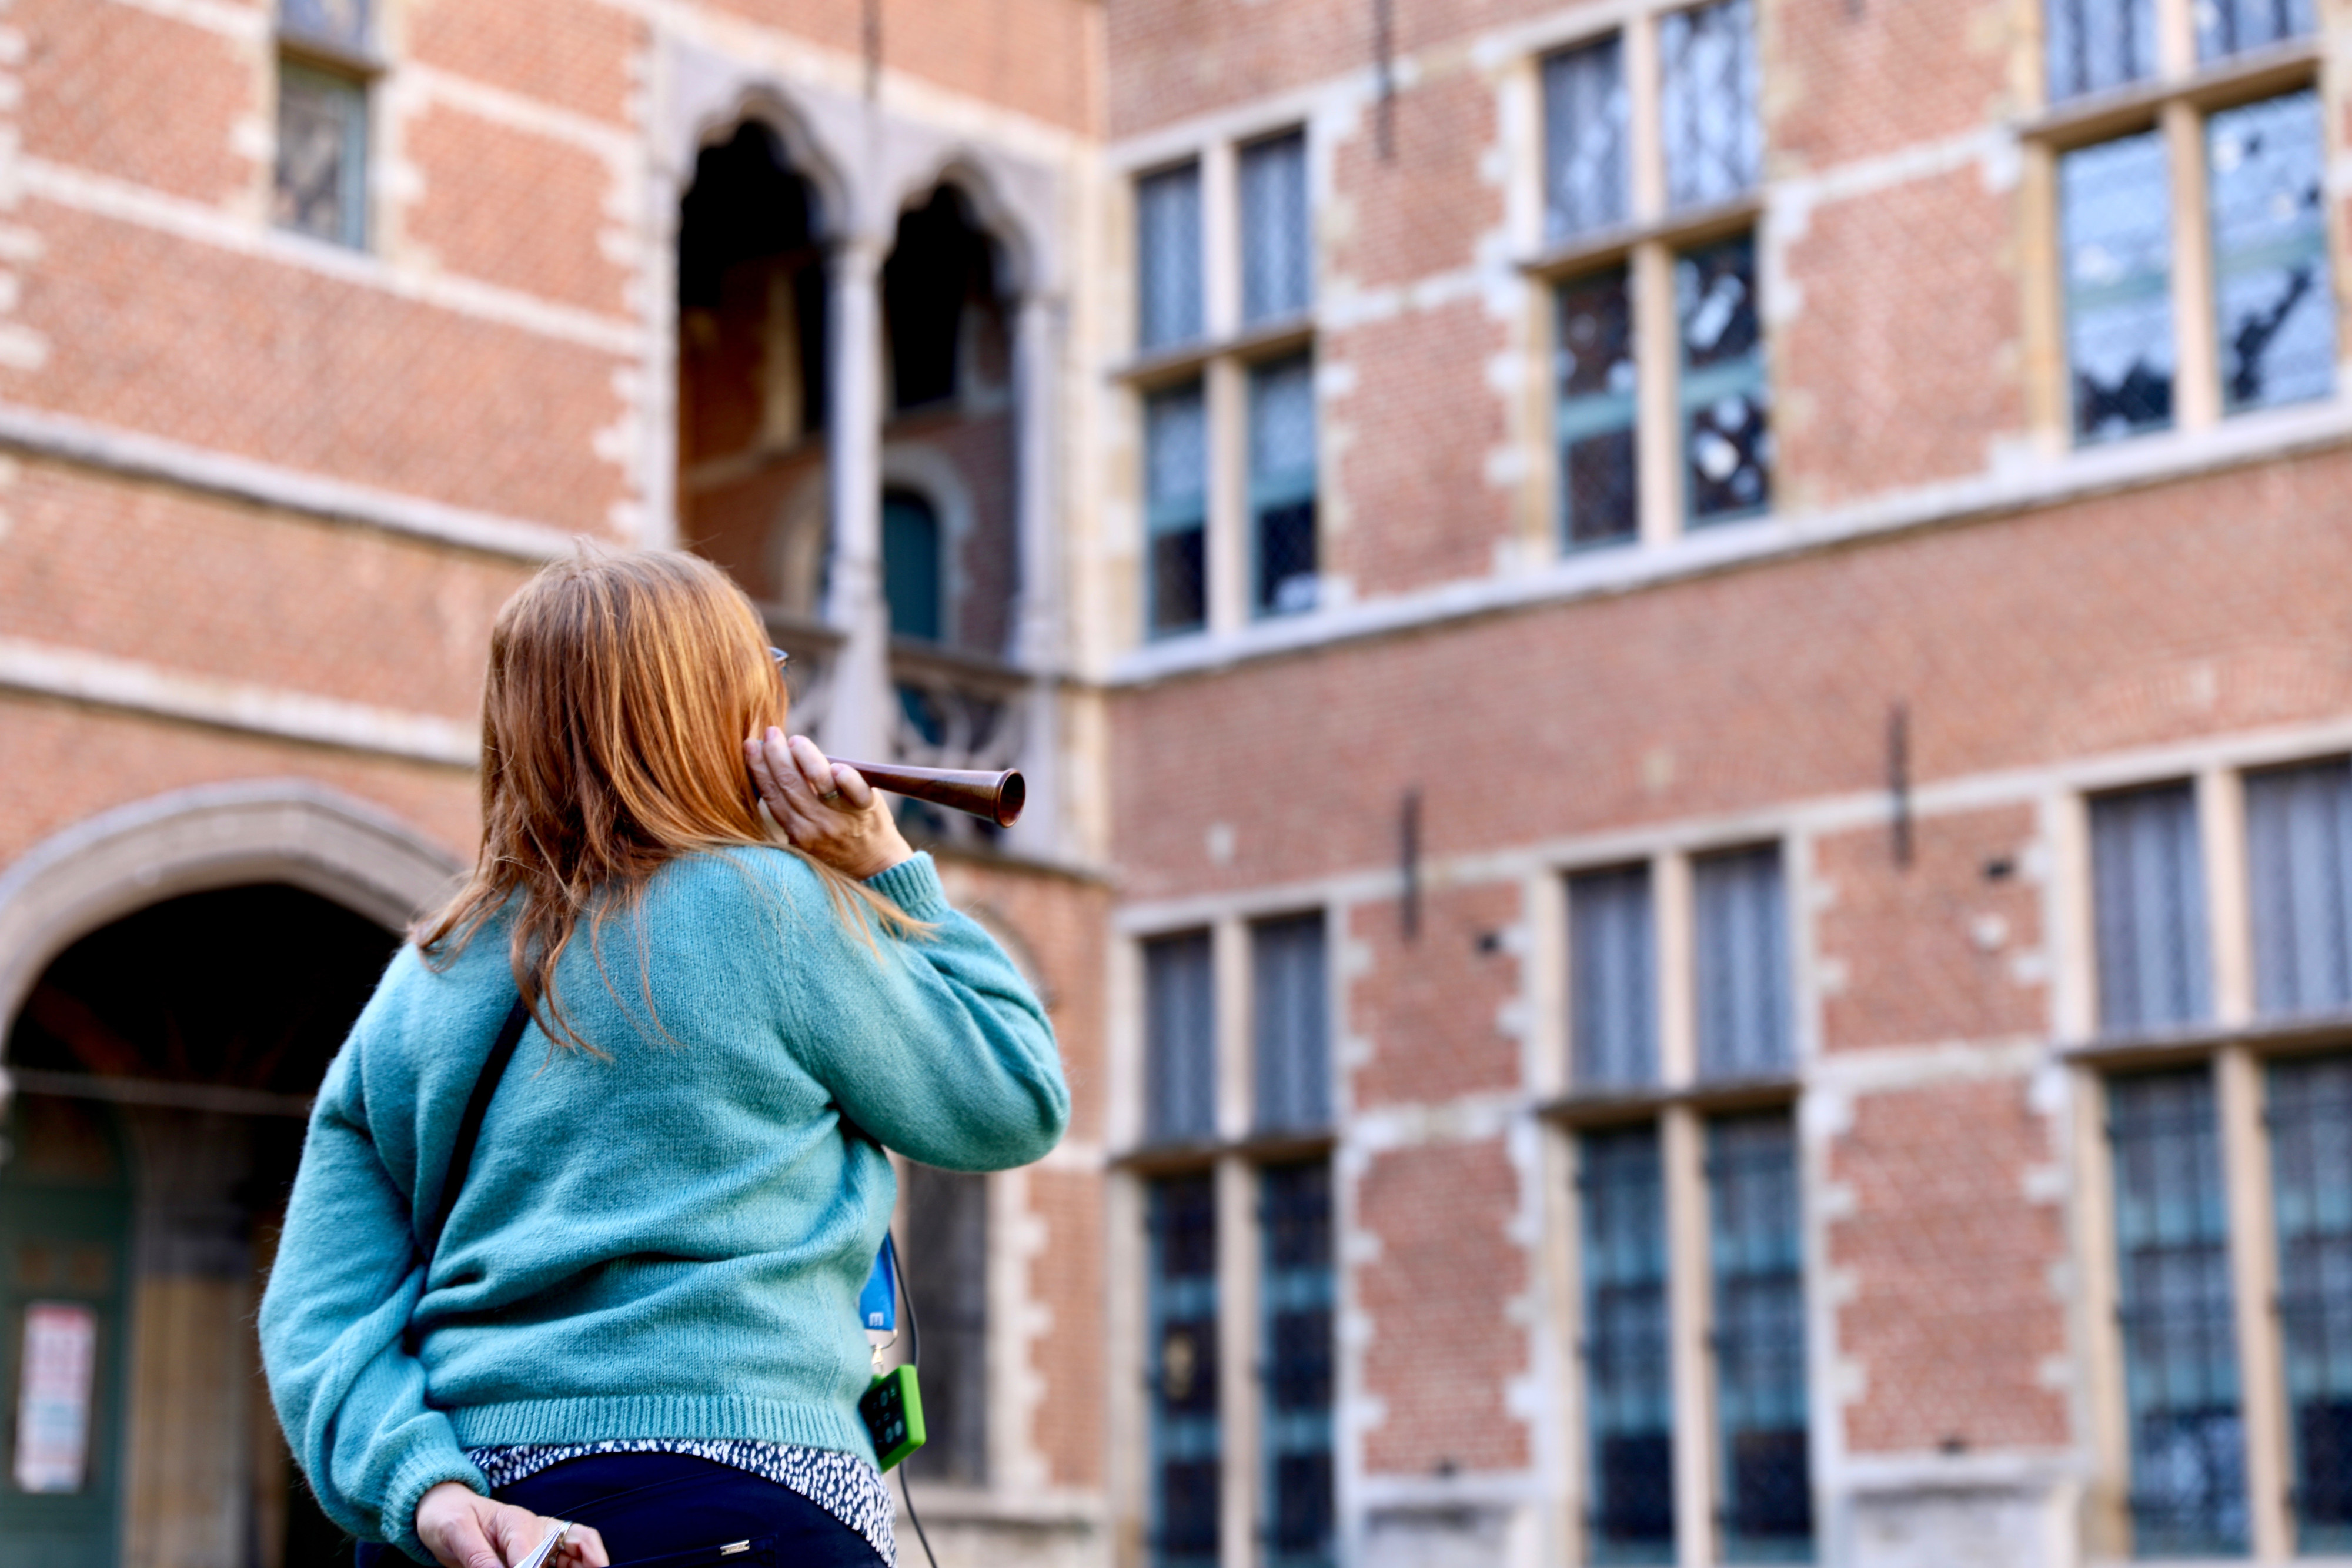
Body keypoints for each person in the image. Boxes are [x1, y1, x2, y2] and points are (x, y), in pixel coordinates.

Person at [259, 551, 1068, 1568]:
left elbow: (319, 1312)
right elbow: (1016, 1096)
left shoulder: (422, 977)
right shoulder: (768, 905)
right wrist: (888, 870)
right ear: (719, 709)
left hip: (474, 1527)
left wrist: (426, 1490)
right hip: (746, 1493)